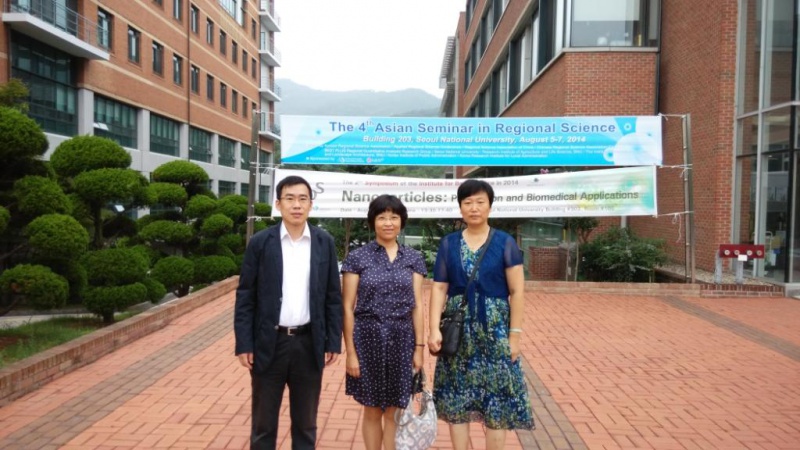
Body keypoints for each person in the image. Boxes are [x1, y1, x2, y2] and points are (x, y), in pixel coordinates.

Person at [234, 175, 343, 450]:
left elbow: (333, 297)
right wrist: (244, 343)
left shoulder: (324, 242)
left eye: (303, 199)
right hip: (268, 344)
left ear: (311, 204)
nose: (297, 205)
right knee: (263, 425)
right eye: (290, 199)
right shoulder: (260, 242)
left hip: (309, 344)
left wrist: (332, 341)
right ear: (278, 204)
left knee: (306, 424)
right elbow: (246, 296)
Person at [427, 179, 534, 450]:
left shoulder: (505, 242)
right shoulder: (449, 243)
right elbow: (439, 287)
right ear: (460, 207)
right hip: (458, 332)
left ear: (490, 206)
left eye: (480, 202)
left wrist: (515, 336)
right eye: (468, 202)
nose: (474, 208)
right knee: (457, 397)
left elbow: (517, 291)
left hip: (495, 331)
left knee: (497, 399)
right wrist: (433, 328)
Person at [341, 194, 427, 450]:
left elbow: (417, 306)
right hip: (367, 339)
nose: (388, 223)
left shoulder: (413, 258)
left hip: (402, 339)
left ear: (402, 222)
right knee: (371, 409)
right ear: (372, 222)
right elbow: (347, 307)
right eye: (382, 217)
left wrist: (419, 348)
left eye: (394, 217)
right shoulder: (358, 257)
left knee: (394, 409)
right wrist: (351, 353)